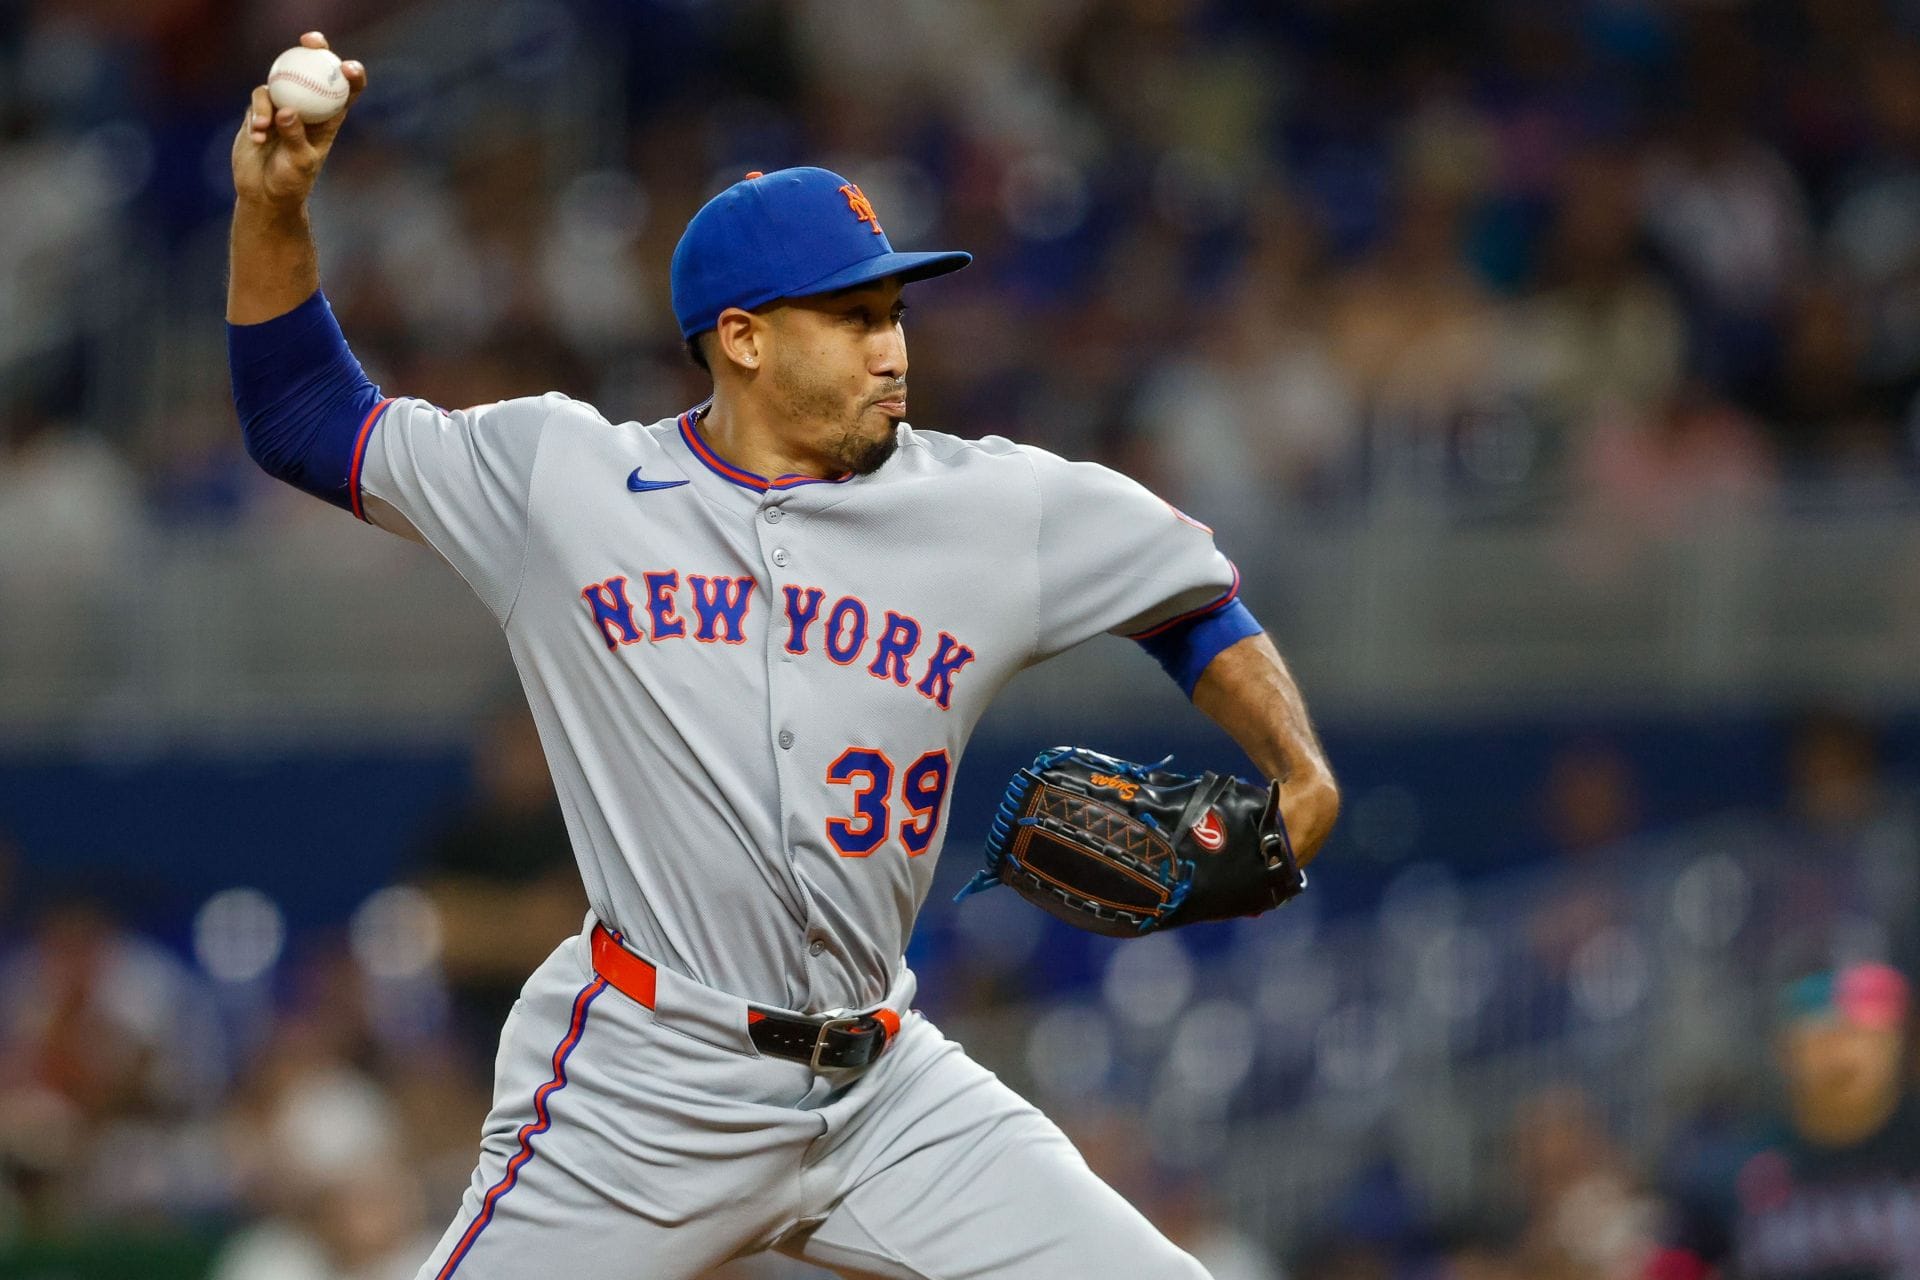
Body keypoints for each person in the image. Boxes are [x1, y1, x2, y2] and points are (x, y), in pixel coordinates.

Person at [226, 32, 1339, 1280]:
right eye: (855, 315)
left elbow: (1194, 596)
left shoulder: (994, 507)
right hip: (648, 1087)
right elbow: (304, 419)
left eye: (897, 310)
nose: (894, 346)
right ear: (743, 338)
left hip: (887, 1089)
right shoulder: (567, 480)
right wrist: (274, 206)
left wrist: (1299, 774)